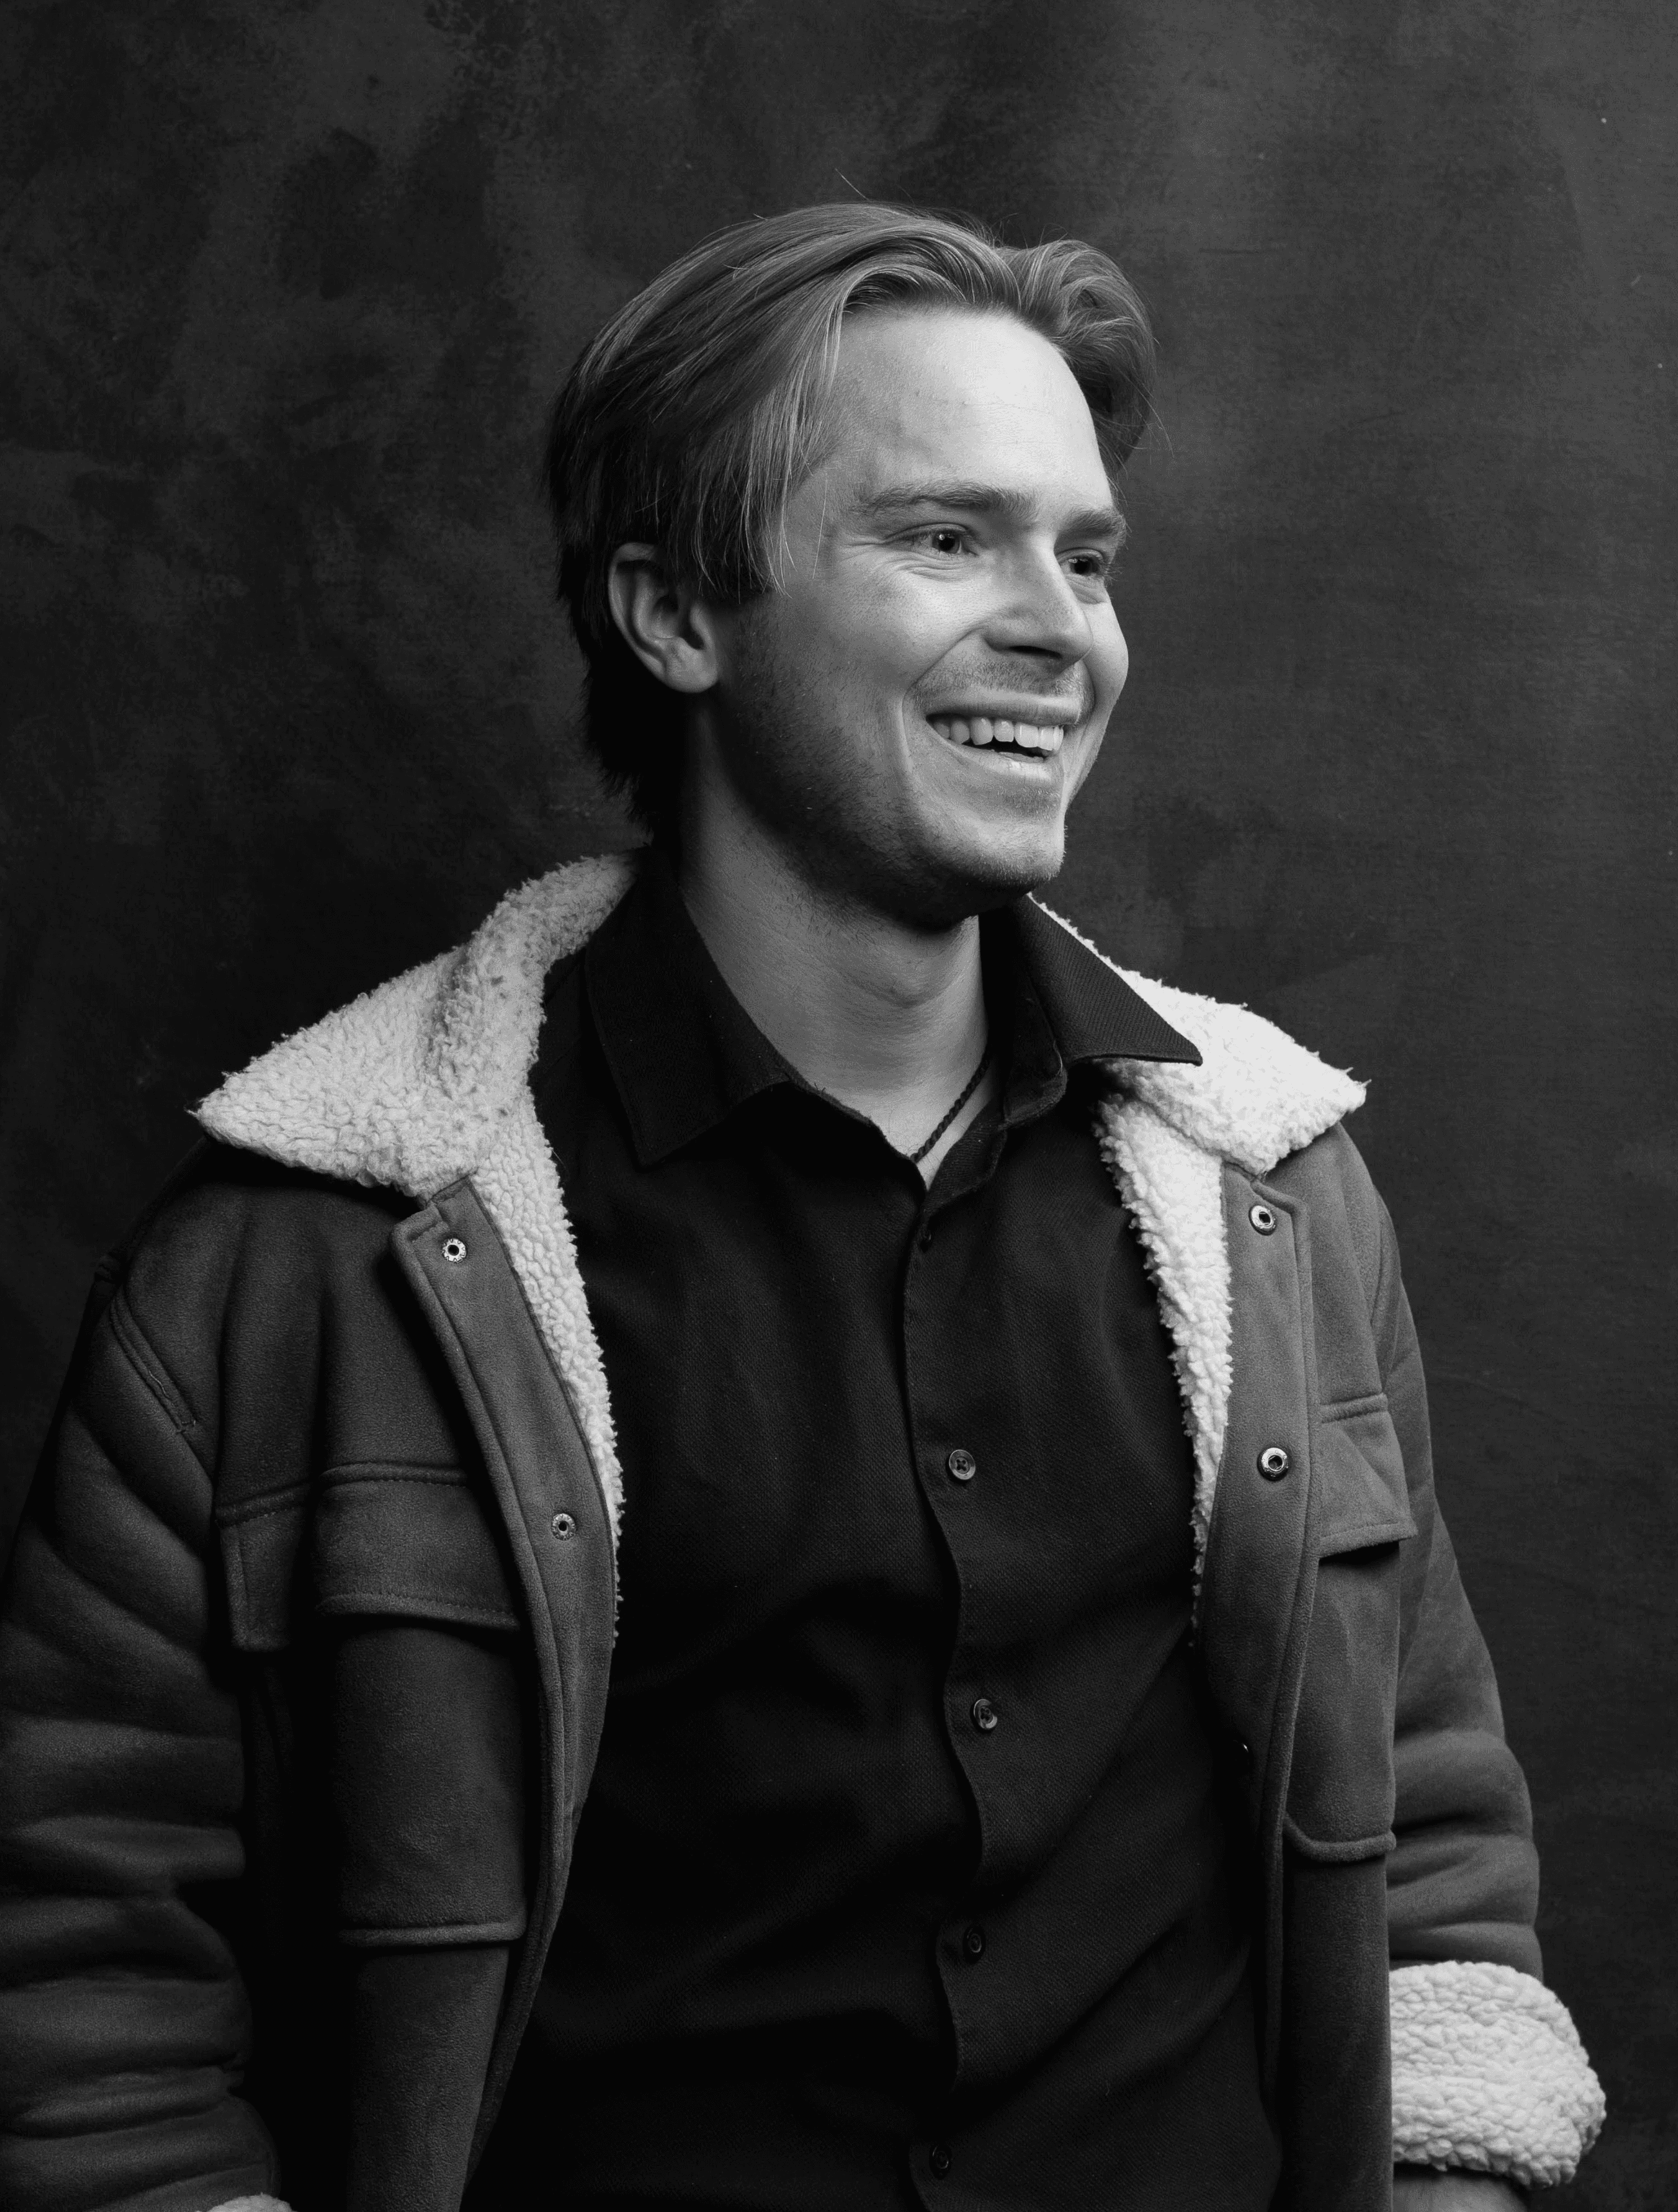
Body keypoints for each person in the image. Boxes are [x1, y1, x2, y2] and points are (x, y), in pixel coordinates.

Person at [0, 202, 1603, 2212]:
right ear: (672, 614)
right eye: (945, 539)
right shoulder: (305, 1263)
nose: (1062, 627)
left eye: (1085, 556)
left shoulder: (1272, 1195)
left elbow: (1434, 1867)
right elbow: (82, 1999)